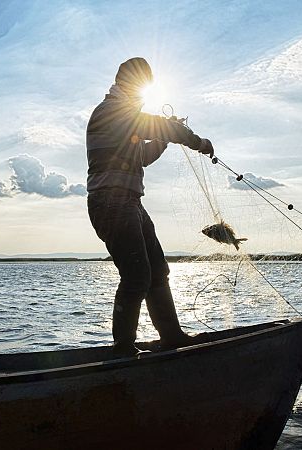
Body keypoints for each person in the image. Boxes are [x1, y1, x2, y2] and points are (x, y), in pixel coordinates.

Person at [86, 57, 215, 356]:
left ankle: (171, 336)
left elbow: (141, 156)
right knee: (136, 276)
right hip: (111, 202)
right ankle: (123, 349)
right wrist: (198, 142)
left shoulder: (125, 115)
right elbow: (157, 126)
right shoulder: (110, 112)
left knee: (157, 270)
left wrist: (165, 137)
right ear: (127, 84)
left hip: (129, 202)